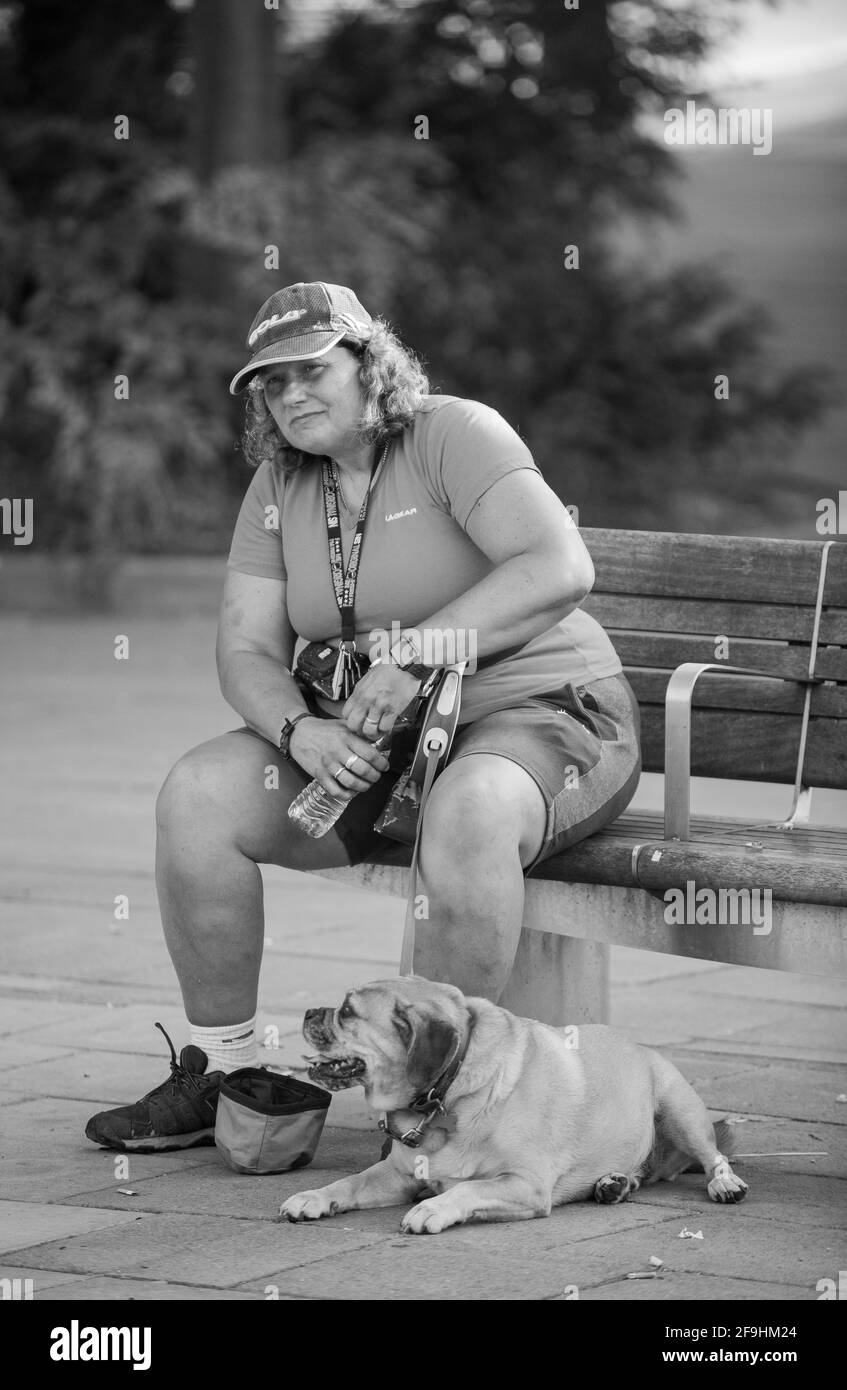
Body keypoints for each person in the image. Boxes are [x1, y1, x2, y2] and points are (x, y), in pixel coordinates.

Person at [85, 280, 641, 1153]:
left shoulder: (454, 433)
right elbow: (245, 650)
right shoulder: (279, 482)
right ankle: (221, 1072)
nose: (292, 393)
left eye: (313, 368)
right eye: (271, 382)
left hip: (538, 711)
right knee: (198, 794)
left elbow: (558, 564)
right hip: (379, 740)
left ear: (370, 364)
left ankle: (435, 1109)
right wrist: (298, 731)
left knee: (468, 810)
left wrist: (417, 649)